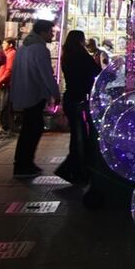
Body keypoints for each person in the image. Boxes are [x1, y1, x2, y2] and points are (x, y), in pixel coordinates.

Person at [11, 20, 60, 177]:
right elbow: (46, 74)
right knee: (32, 129)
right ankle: (23, 165)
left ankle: (24, 163)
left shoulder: (23, 48)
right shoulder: (40, 49)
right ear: (43, 32)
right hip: (34, 94)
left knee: (29, 128)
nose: (53, 34)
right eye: (51, 32)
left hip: (24, 92)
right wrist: (55, 92)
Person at [56, 30, 101, 184]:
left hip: (70, 97)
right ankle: (76, 170)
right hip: (80, 99)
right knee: (81, 137)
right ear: (80, 41)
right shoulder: (81, 55)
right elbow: (97, 72)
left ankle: (74, 169)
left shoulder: (67, 55)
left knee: (77, 136)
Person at [0, 38, 16, 135]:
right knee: (2, 105)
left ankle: (6, 127)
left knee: (5, 105)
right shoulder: (6, 54)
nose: (3, 45)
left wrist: (1, 80)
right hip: (3, 82)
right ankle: (4, 126)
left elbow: (9, 70)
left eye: (4, 43)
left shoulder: (12, 54)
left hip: (6, 84)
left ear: (10, 45)